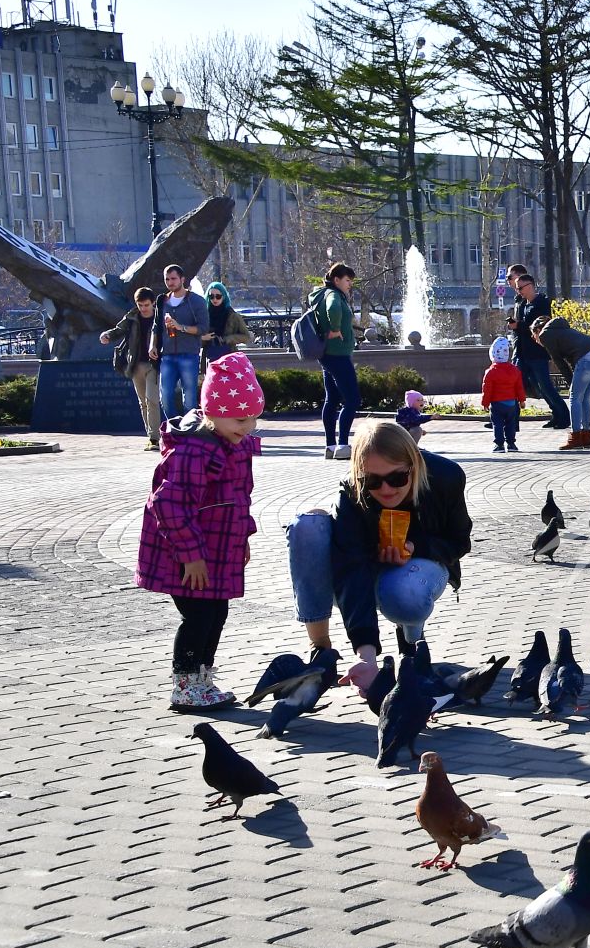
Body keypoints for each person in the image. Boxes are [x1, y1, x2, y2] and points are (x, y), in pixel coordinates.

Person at [286, 420, 472, 693]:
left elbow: (458, 542)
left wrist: (413, 548)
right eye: (372, 480)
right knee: (307, 526)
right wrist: (366, 656)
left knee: (404, 592)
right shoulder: (351, 490)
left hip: (423, 568)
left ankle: (412, 644)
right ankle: (321, 652)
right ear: (359, 474)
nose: (386, 489)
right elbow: (351, 570)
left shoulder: (446, 476)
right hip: (364, 571)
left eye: (397, 478)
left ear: (415, 464)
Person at [135, 352, 264, 712]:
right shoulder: (195, 450)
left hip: (216, 546)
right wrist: (190, 555)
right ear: (212, 412)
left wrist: (244, 536)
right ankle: (185, 682)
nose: (248, 426)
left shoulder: (232, 443)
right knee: (199, 615)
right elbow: (170, 504)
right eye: (240, 418)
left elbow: (239, 496)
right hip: (185, 551)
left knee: (216, 611)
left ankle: (202, 677)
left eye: (254, 417)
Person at [528, 280, 590, 451]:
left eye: (533, 335)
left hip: (588, 358)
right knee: (585, 397)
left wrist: (571, 383)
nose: (535, 339)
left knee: (574, 398)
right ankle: (585, 437)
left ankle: (575, 437)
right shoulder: (560, 330)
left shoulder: (545, 335)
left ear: (538, 330)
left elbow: (560, 362)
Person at [99, 286, 163, 450]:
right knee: (143, 402)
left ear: (153, 303)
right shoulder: (132, 317)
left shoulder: (160, 317)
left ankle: (155, 438)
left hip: (153, 365)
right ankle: (150, 436)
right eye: (140, 305)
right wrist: (107, 336)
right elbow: (119, 330)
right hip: (135, 364)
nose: (143, 308)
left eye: (146, 305)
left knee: (152, 400)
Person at [312, 262, 360, 460]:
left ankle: (330, 446)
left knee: (332, 399)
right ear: (336, 280)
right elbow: (333, 309)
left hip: (326, 355)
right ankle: (342, 445)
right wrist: (336, 328)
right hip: (338, 355)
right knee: (352, 399)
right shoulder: (333, 295)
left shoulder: (321, 294)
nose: (350, 284)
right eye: (347, 280)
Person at [509, 269, 568, 429]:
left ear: (530, 286)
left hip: (537, 353)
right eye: (516, 288)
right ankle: (511, 421)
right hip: (521, 352)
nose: (518, 291)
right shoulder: (522, 305)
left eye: (520, 288)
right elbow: (522, 326)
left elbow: (539, 327)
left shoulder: (542, 303)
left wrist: (518, 326)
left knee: (544, 386)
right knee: (515, 386)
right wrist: (515, 326)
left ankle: (562, 416)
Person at [155, 264, 209, 420]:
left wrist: (181, 327)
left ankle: (189, 429)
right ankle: (174, 426)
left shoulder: (196, 301)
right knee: (165, 395)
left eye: (173, 279)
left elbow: (203, 328)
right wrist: (153, 345)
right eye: (167, 279)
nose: (170, 282)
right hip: (167, 355)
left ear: (182, 279)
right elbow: (156, 326)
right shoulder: (162, 301)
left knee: (189, 396)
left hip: (189, 354)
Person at [480, 336, 526, 452]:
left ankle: (499, 445)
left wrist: (485, 403)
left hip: (497, 403)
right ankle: (511, 444)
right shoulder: (514, 370)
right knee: (511, 424)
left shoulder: (490, 372)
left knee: (498, 424)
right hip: (511, 403)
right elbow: (519, 387)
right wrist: (521, 400)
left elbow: (487, 389)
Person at [201, 282, 252, 363]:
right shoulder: (203, 315)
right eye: (211, 296)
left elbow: (246, 337)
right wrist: (203, 338)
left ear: (224, 296)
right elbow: (194, 340)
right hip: (209, 355)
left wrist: (228, 339)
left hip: (228, 356)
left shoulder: (232, 315)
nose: (214, 299)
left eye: (218, 296)